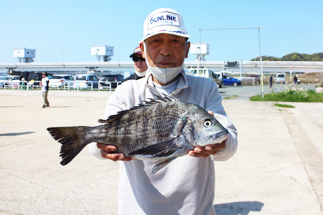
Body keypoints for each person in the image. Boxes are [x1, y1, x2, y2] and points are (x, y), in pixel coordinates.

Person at [89, 8, 238, 215]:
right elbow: (96, 144)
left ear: (187, 49)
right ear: (143, 48)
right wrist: (100, 147)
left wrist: (221, 144)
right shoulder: (127, 91)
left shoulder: (206, 88)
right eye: (156, 41)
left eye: (175, 41)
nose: (166, 50)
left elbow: (229, 143)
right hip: (138, 209)